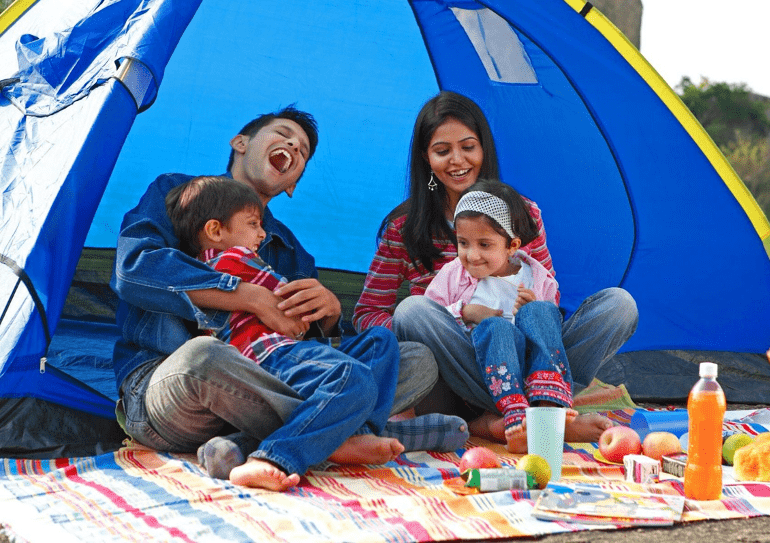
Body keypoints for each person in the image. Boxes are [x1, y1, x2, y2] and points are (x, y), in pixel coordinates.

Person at [111, 106, 464, 490]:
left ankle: (257, 444)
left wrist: (326, 318)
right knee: (203, 354)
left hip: (265, 387)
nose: (293, 148)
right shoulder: (178, 193)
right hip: (178, 384)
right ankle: (337, 434)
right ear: (240, 143)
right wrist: (250, 296)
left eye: (303, 153)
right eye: (283, 135)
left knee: (412, 357)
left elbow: (303, 358)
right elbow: (134, 268)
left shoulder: (294, 254)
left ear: (293, 183)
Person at [353, 91, 639, 444]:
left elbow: (547, 297)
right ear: (426, 159)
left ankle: (527, 410)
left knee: (618, 305)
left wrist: (530, 311)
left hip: (531, 356)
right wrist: (450, 320)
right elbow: (367, 312)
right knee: (413, 312)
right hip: (460, 366)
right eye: (442, 151)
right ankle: (539, 419)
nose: (457, 160)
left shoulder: (524, 213)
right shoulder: (404, 227)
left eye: (468, 146)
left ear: (484, 149)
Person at [425, 180, 593, 453]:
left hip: (531, 370)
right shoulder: (453, 274)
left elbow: (548, 336)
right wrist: (466, 312)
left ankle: (547, 404)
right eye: (463, 243)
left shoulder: (537, 277)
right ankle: (517, 412)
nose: (472, 255)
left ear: (512, 245)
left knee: (543, 310)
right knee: (494, 327)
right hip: (478, 373)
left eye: (484, 244)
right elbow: (430, 314)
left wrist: (532, 311)